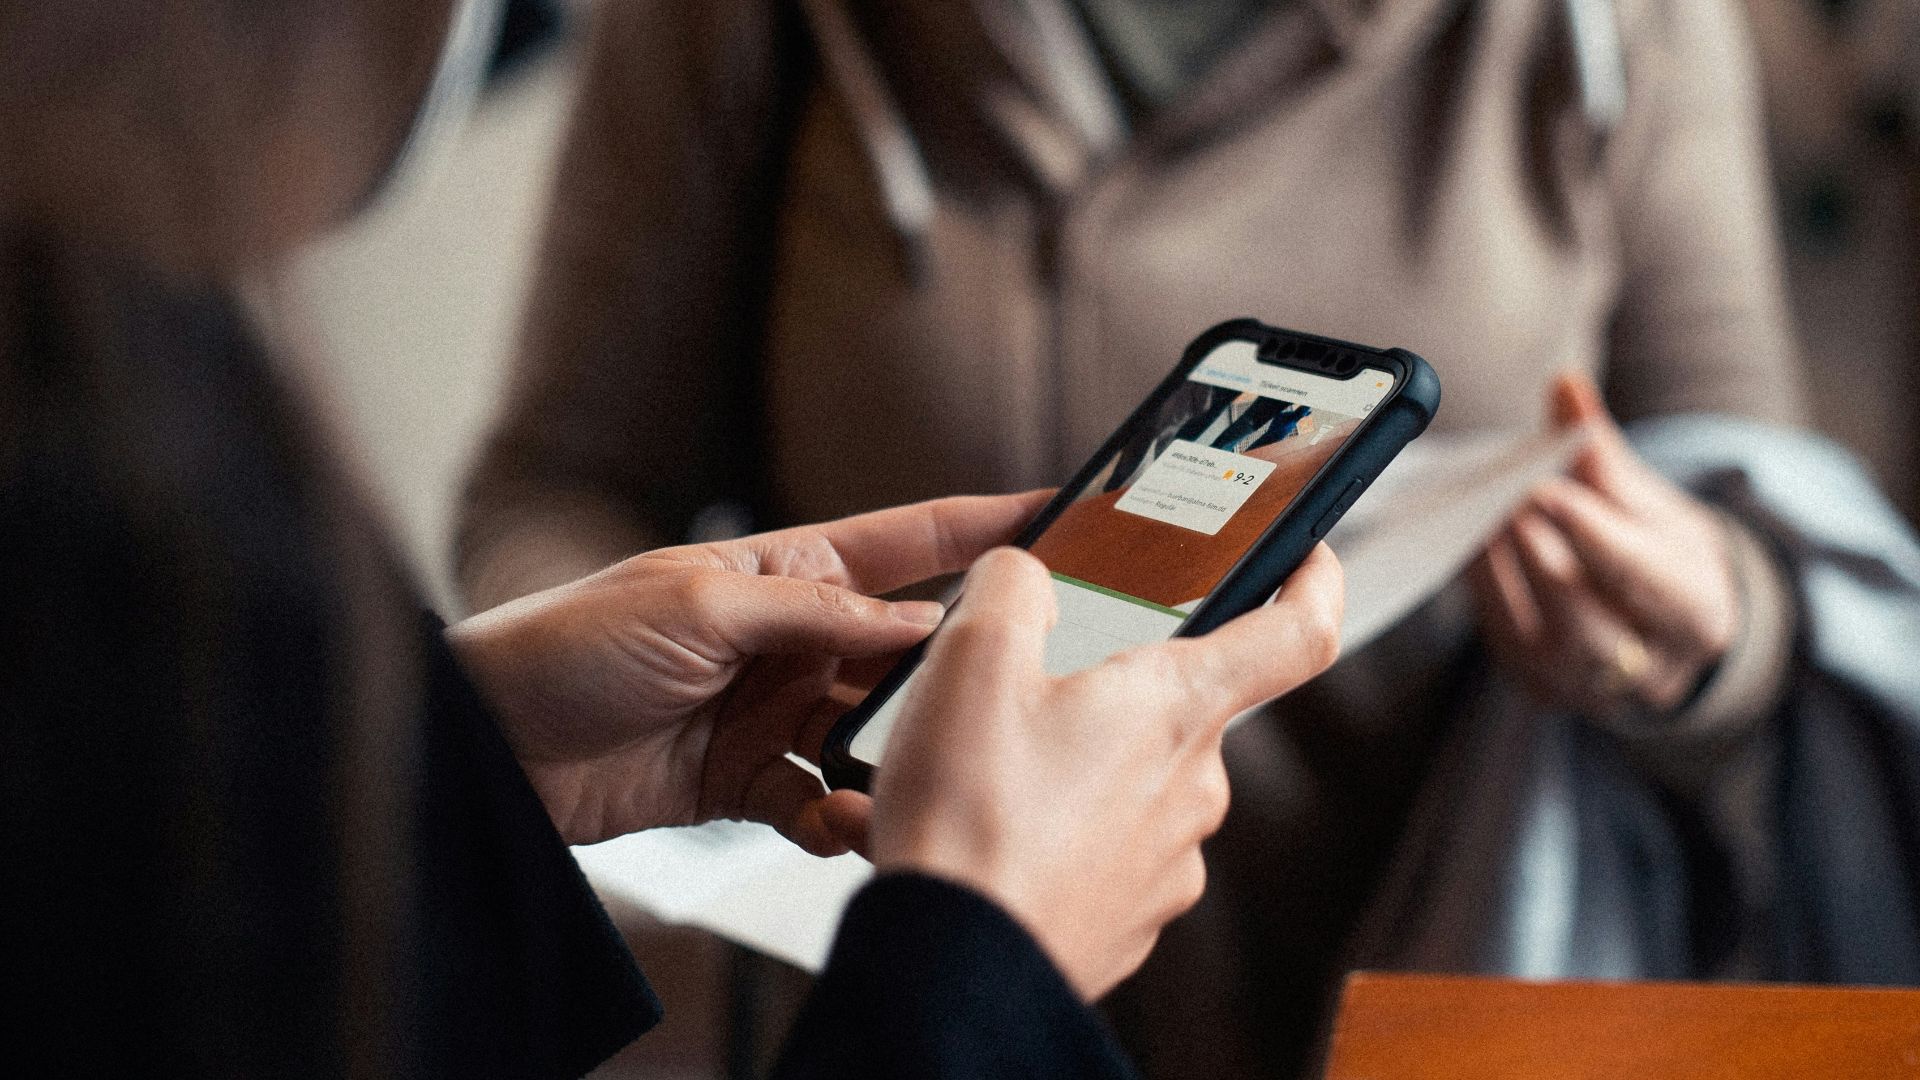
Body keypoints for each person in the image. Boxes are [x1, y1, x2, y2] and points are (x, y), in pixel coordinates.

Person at [457, 0, 1920, 1075]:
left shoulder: (1619, 29)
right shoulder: (753, 29)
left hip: (1425, 1000)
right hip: (902, 983)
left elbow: (1751, 501)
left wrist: (1702, 641)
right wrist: (681, 736)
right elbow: (554, 484)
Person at [0, 1, 1350, 1076]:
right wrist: (988, 967)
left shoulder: (130, 423)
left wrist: (470, 760)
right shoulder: (107, 465)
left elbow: (102, 931)